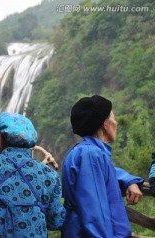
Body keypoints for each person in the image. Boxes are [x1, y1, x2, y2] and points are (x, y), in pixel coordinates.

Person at [61, 95, 144, 238]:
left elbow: (106, 173)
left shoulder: (88, 152)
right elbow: (93, 214)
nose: (116, 123)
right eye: (113, 118)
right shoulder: (90, 155)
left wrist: (129, 180)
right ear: (105, 124)